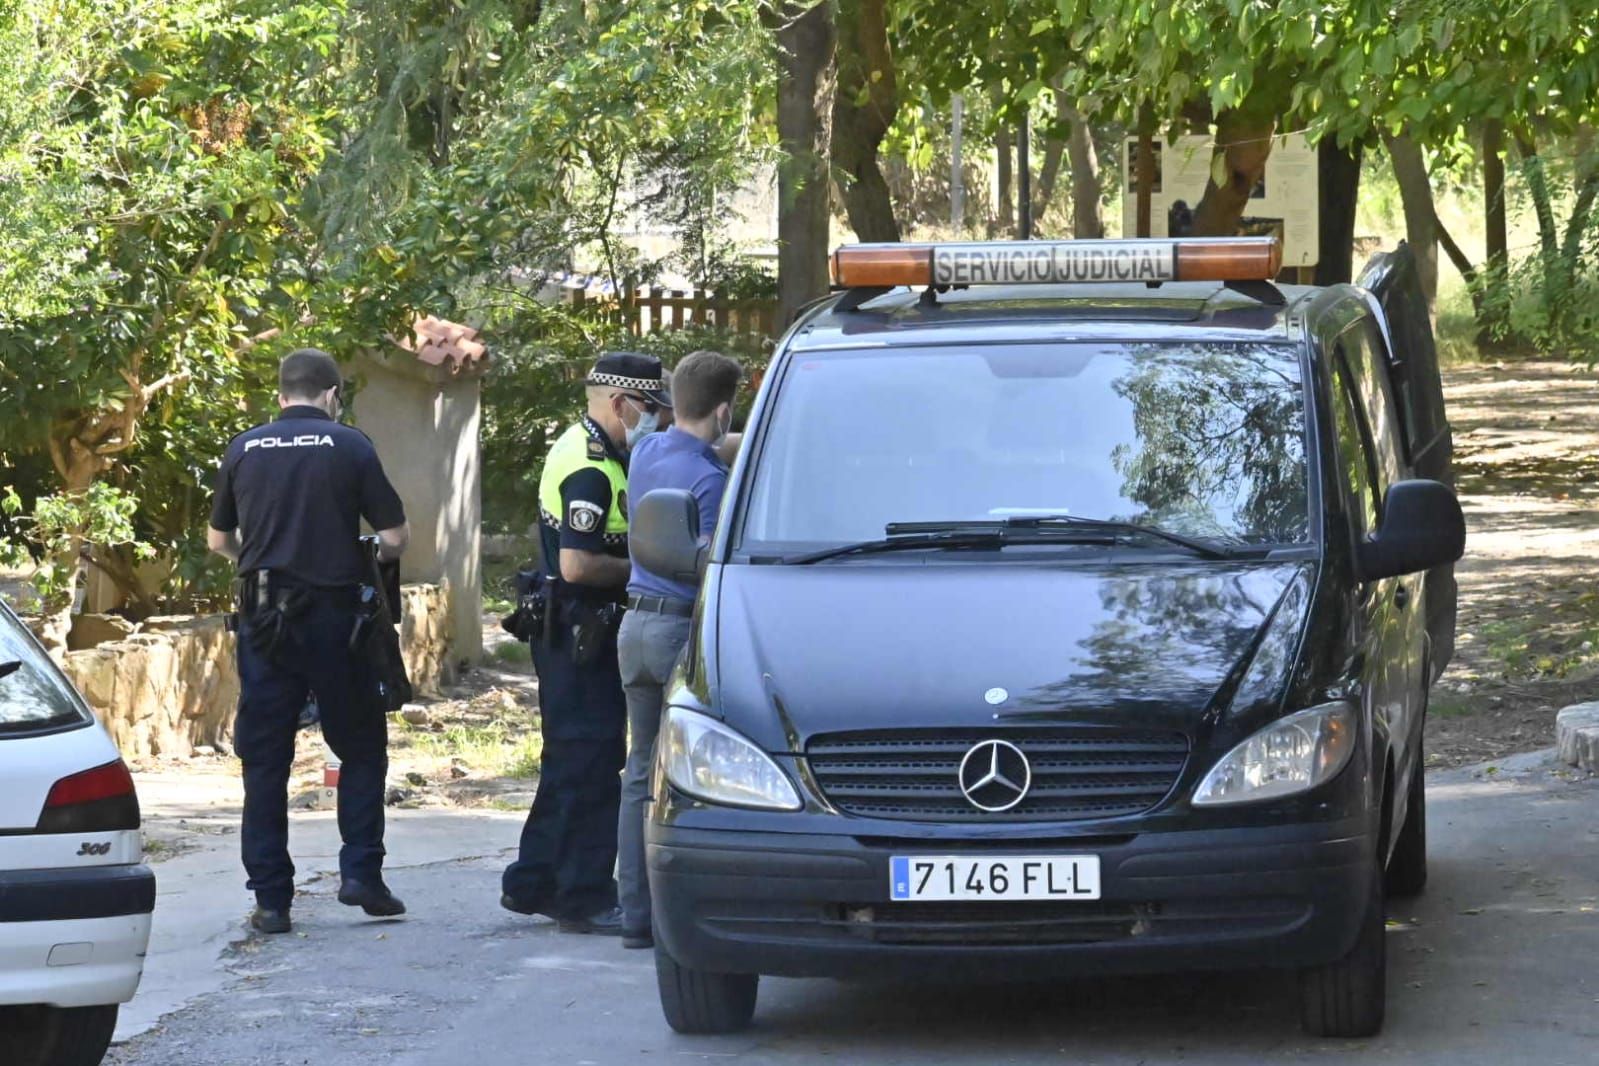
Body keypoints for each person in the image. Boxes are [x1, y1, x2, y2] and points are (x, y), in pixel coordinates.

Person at [207, 348, 411, 935]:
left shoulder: (245, 446)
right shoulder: (351, 445)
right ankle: (362, 876)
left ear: (281, 396)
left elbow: (219, 540)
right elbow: (394, 535)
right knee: (361, 747)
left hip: (265, 620)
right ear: (331, 394)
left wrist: (266, 553)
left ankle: (272, 901)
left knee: (265, 760)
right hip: (337, 622)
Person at [500, 351, 671, 935]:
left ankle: (533, 881)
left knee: (573, 758)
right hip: (579, 629)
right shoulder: (590, 466)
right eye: (651, 409)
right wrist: (649, 569)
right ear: (620, 404)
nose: (658, 421)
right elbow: (577, 564)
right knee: (592, 760)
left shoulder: (604, 452)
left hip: (582, 630)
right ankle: (583, 895)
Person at [615, 350, 743, 949]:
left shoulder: (646, 451)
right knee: (686, 776)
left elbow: (698, 442)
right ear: (723, 410)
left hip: (633, 628)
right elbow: (714, 567)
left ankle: (634, 914)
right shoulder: (710, 482)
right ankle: (681, 921)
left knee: (638, 772)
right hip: (675, 633)